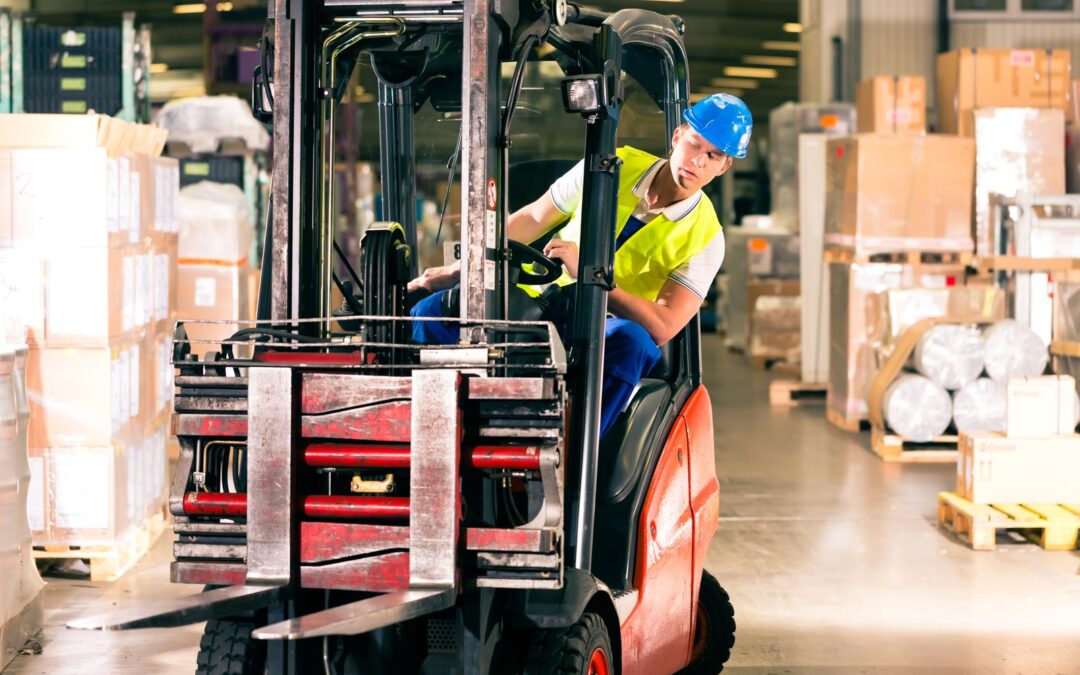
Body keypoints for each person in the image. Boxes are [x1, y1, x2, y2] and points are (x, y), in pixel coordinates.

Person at [408, 93, 752, 438]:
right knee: (434, 311)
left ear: (724, 167)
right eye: (695, 144)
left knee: (633, 343)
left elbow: (664, 325)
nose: (698, 161)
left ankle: (571, 452)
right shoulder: (610, 165)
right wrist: (462, 269)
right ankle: (435, 434)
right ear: (677, 136)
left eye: (713, 155)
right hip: (537, 298)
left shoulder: (707, 238)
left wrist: (592, 275)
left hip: (603, 323)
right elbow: (534, 217)